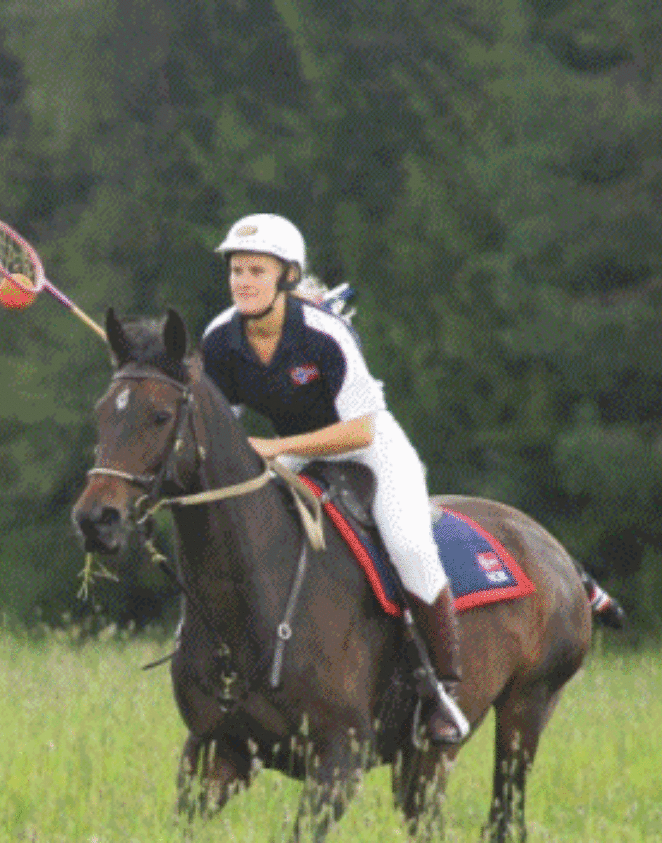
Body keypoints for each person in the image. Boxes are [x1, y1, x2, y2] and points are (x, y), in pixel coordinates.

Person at [197, 212, 468, 745]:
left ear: (288, 277)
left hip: (371, 451)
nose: (243, 282)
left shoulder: (323, 334)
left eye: (256, 270)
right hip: (296, 455)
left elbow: (362, 428)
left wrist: (278, 447)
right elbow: (219, 422)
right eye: (236, 271)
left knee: (411, 547)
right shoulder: (220, 339)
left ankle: (444, 691)